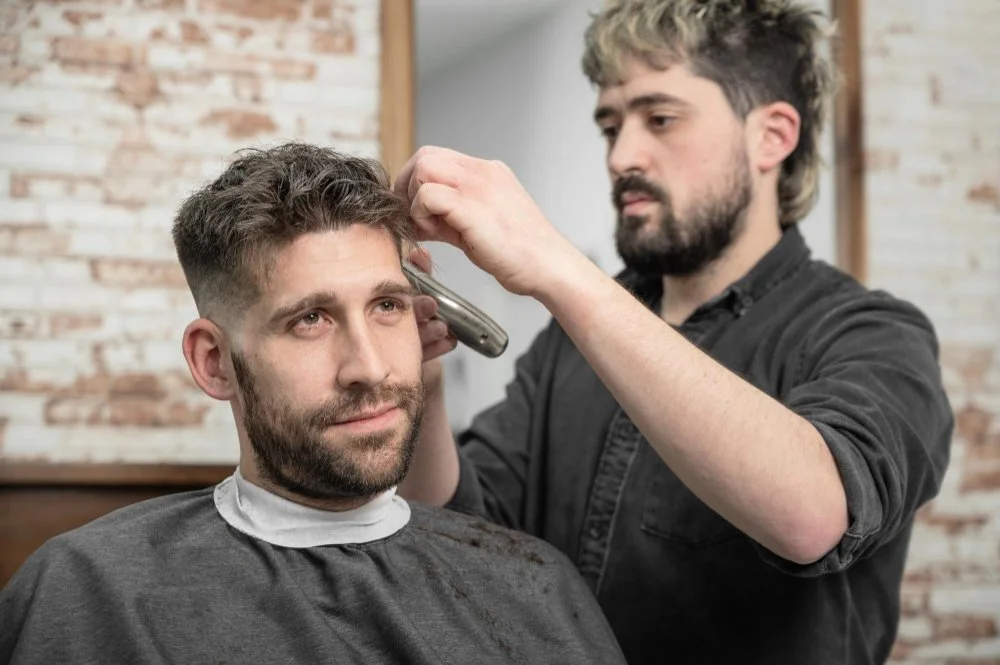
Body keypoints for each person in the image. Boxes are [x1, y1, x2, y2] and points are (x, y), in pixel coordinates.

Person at [395, 1, 954, 663]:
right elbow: (460, 532)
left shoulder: (873, 334)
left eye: (660, 118)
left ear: (772, 135)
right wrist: (421, 374)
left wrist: (554, 263)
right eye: (610, 127)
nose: (622, 156)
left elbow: (812, 515)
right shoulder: (570, 342)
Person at [0, 144, 627, 665]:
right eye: (310, 320)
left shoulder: (537, 588)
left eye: (387, 306)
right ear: (214, 362)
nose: (370, 368)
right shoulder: (87, 591)